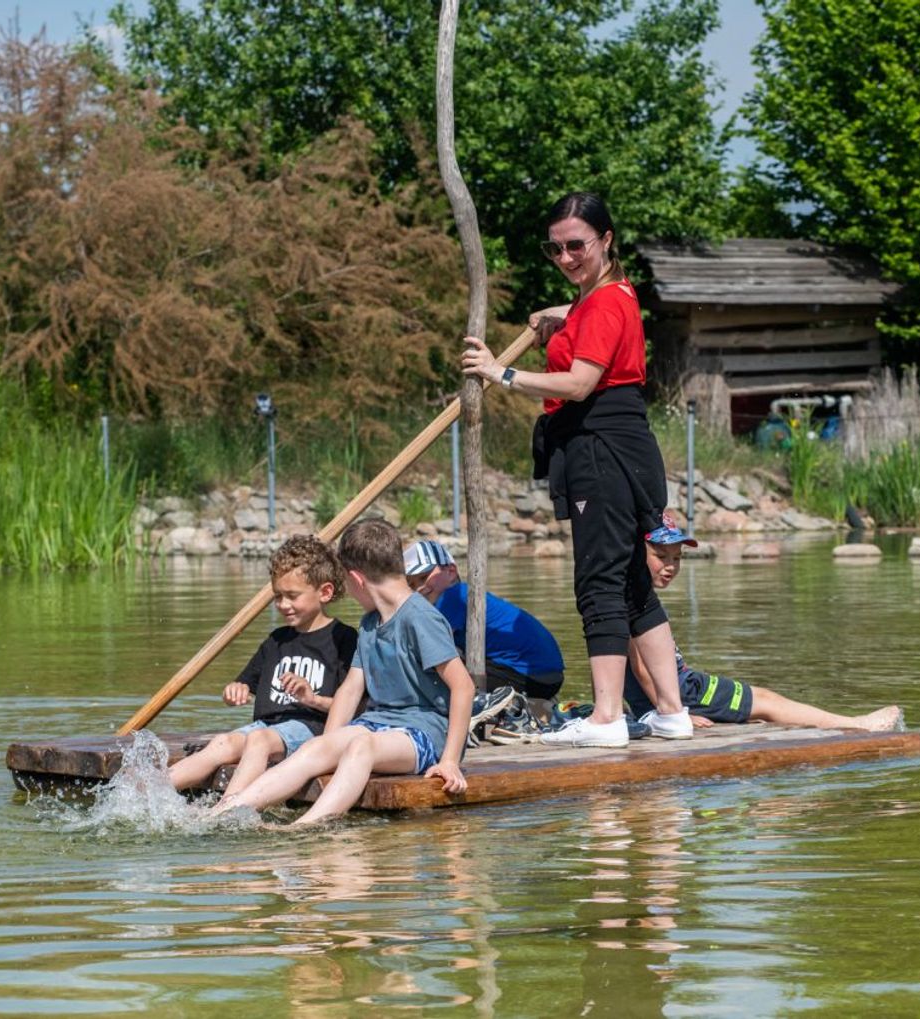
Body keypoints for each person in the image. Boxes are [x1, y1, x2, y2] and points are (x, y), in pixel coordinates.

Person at [461, 190, 690, 748]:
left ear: (606, 240)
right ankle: (671, 711)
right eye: (555, 248)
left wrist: (500, 373)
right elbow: (586, 314)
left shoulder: (604, 303)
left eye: (576, 246)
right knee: (632, 582)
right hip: (625, 447)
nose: (565, 258)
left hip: (601, 449)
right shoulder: (610, 294)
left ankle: (607, 718)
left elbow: (580, 383)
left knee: (599, 581)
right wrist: (555, 317)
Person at [209, 518, 474, 825]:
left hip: (425, 734)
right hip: (378, 724)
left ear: (356, 579)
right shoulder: (370, 623)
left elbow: (463, 687)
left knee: (361, 746)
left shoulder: (419, 617)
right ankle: (224, 813)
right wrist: (327, 744)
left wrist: (450, 761)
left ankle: (304, 828)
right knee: (316, 747)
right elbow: (350, 689)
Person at [627, 513, 903, 732]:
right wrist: (673, 713)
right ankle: (856, 725)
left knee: (761, 703)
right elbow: (641, 668)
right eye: (661, 556)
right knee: (766, 701)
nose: (671, 566)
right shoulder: (636, 603)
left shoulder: (634, 596)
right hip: (682, 691)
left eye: (677, 558)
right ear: (637, 554)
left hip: (679, 689)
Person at [168, 535, 357, 797]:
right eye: (278, 596)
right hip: (266, 728)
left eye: (292, 596)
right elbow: (245, 684)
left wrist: (312, 699)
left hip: (311, 730)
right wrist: (235, 690)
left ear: (324, 592)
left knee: (258, 740)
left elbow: (356, 707)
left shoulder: (344, 639)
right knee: (222, 742)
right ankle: (148, 792)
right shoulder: (276, 640)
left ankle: (228, 809)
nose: (283, 605)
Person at [402, 539, 565, 709]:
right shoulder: (464, 594)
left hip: (534, 677)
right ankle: (535, 704)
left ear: (451, 571)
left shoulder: (453, 596)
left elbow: (418, 645)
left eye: (423, 578)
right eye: (412, 584)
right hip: (547, 677)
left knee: (435, 666)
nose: (419, 588)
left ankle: (512, 706)